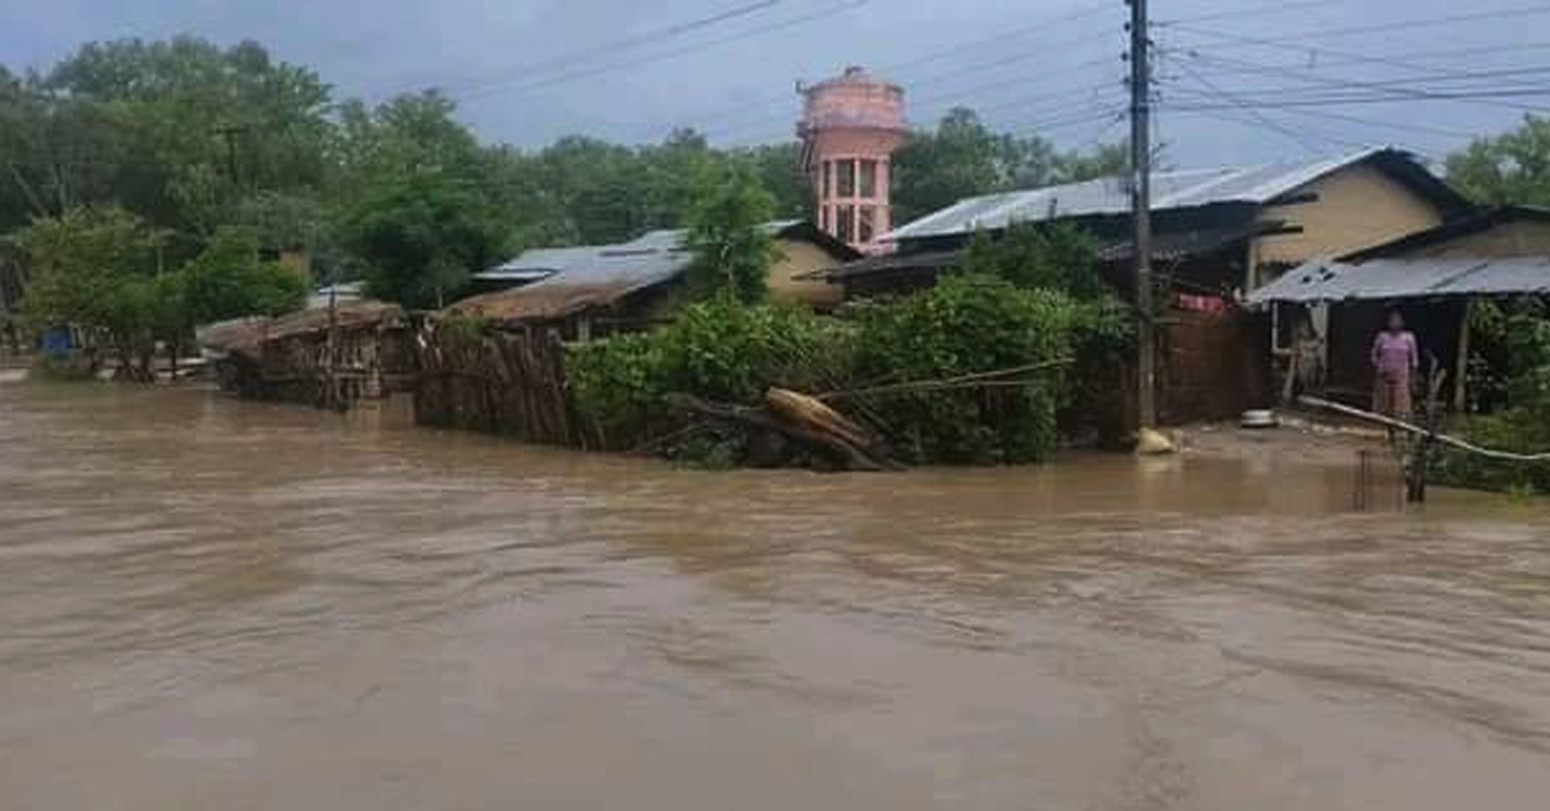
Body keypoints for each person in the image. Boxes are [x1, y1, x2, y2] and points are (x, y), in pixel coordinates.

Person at [1371, 308, 1419, 419]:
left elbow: (1414, 359)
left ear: (1402, 322)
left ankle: (1401, 421)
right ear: (1388, 323)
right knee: (1383, 399)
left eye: (1397, 320)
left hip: (1402, 374)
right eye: (1392, 320)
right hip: (1384, 373)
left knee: (1401, 400)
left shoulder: (1409, 337)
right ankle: (1382, 421)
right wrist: (1379, 367)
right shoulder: (1382, 337)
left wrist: (1413, 377)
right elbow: (1374, 355)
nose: (1394, 323)